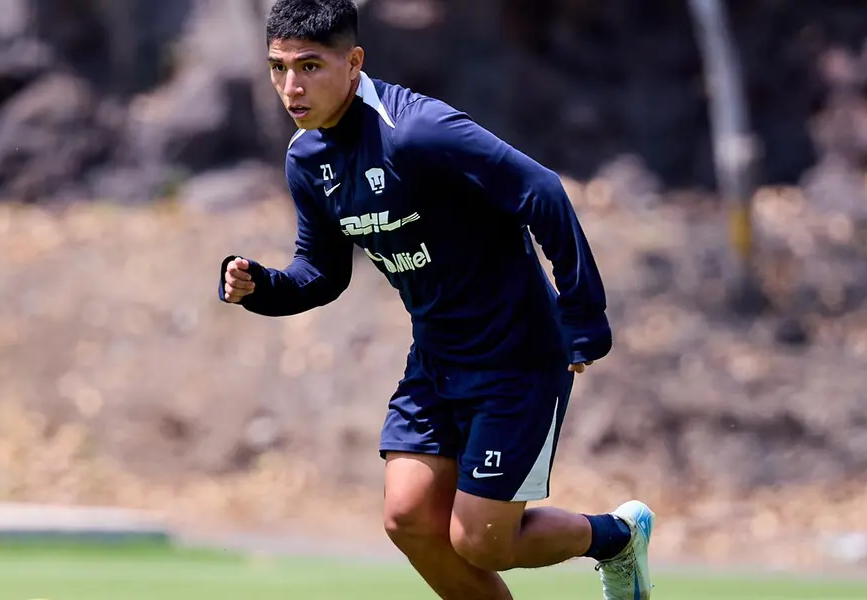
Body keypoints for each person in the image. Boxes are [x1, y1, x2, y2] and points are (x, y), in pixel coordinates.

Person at [219, 1, 653, 598]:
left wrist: (582, 317)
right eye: (278, 67)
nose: (291, 86)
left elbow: (542, 191)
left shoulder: (418, 131)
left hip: (516, 357)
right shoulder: (307, 158)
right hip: (437, 360)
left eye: (310, 67)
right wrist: (261, 288)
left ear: (353, 63)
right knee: (408, 519)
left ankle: (617, 537)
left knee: (481, 541)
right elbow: (322, 272)